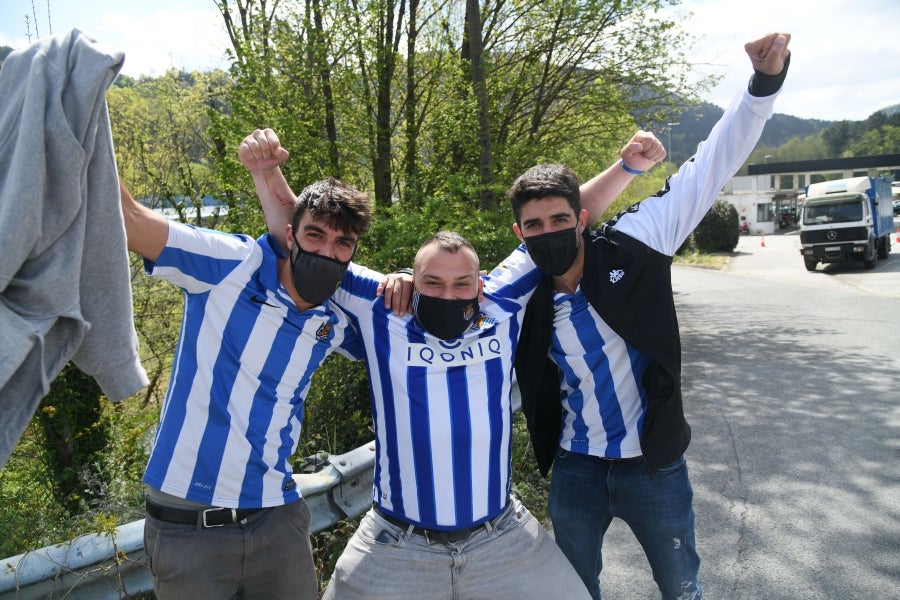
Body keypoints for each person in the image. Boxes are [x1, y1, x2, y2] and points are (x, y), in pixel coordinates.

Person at [241, 127, 661, 599]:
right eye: (432, 283)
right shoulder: (381, 306)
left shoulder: (502, 299)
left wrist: (627, 169)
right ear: (411, 281)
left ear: (480, 283)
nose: (449, 293)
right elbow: (307, 241)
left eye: (462, 283)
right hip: (395, 542)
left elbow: (560, 221)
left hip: (502, 534)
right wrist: (266, 171)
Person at [506, 32, 792, 600]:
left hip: (654, 467)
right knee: (571, 590)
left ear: (581, 218)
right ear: (519, 234)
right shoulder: (519, 286)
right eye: (533, 226)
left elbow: (710, 165)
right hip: (575, 468)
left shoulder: (636, 241)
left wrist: (762, 85)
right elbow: (450, 290)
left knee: (680, 587)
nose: (548, 233)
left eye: (559, 219)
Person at [121, 174, 377, 599]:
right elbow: (130, 219)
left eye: (342, 244)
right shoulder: (230, 264)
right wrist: (77, 113)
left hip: (277, 521)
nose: (327, 253)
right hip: (189, 527)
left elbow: (413, 331)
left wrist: (405, 278)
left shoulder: (336, 321)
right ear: (290, 236)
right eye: (315, 236)